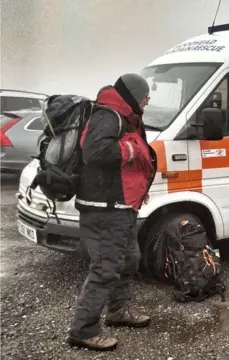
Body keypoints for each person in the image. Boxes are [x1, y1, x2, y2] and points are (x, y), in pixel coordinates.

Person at [68, 73, 157, 351]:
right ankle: (83, 330)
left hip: (123, 206)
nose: (147, 100)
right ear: (131, 94)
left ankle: (118, 311)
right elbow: (95, 151)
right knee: (106, 269)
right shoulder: (108, 115)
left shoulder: (126, 117)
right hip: (105, 209)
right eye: (144, 95)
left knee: (130, 260)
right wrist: (131, 150)